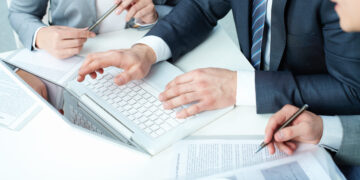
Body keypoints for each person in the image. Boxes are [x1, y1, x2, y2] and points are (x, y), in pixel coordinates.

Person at [77, 0, 360, 119]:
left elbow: (352, 90)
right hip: (247, 111)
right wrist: (145, 51)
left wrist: (237, 86)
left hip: (315, 121)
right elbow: (201, 7)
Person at [8, 0, 178, 105]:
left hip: (141, 61)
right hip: (68, 65)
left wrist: (149, 18)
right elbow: (20, 13)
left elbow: (190, 12)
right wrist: (41, 36)